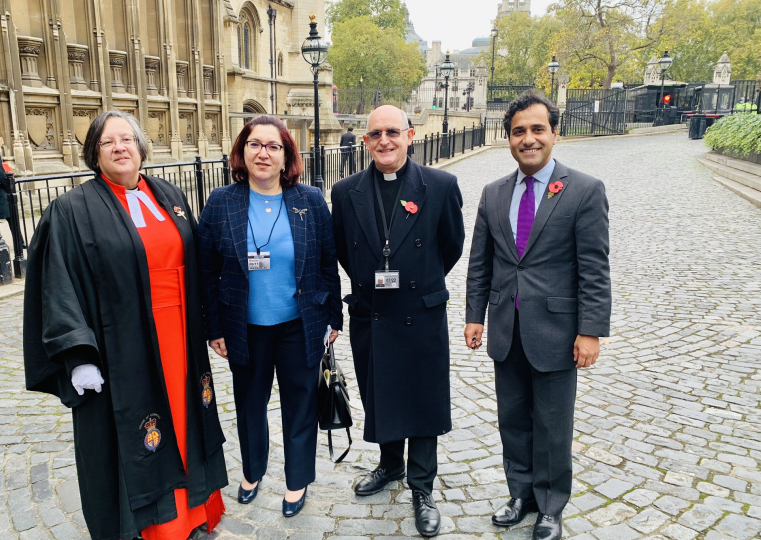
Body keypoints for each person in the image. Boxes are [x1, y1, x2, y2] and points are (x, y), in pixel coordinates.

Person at [23, 110, 228, 540]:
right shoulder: (71, 210)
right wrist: (77, 355)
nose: (120, 148)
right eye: (108, 142)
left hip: (179, 337)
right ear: (94, 154)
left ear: (140, 147)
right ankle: (156, 527)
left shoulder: (168, 193)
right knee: (141, 428)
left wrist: (212, 323)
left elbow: (197, 264)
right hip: (122, 345)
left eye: (127, 140)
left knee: (187, 416)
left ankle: (194, 512)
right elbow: (57, 282)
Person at [464, 90, 611, 540]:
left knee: (552, 423)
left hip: (556, 331)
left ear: (554, 133)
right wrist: (475, 316)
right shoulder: (493, 194)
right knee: (512, 418)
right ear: (509, 138)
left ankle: (550, 505)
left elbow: (594, 266)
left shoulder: (584, 190)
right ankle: (520, 494)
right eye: (518, 131)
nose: (528, 139)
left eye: (536, 129)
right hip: (507, 329)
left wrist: (590, 331)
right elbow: (481, 262)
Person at [197, 115, 342, 518]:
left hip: (300, 324)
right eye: (255, 144)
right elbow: (206, 271)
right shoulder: (220, 202)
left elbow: (328, 261)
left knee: (300, 405)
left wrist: (334, 317)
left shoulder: (309, 200)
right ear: (242, 152)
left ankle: (297, 481)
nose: (264, 153)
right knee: (250, 404)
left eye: (273, 146)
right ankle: (252, 471)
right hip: (244, 327)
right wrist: (214, 328)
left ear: (286, 157)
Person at [330, 104, 464, 537]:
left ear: (410, 135)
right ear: (365, 141)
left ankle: (423, 487)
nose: (384, 141)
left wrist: (418, 279)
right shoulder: (345, 191)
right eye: (375, 134)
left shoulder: (440, 186)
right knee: (381, 390)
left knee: (423, 398)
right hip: (373, 312)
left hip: (420, 311)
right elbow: (344, 253)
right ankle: (390, 465)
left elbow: (451, 245)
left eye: (393, 132)